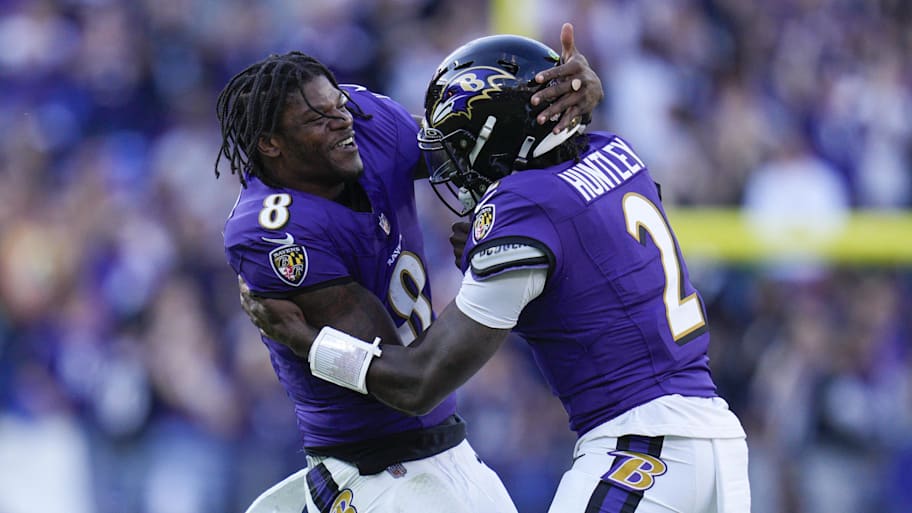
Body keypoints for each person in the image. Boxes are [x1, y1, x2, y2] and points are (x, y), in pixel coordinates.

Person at [240, 34, 752, 513]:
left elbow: (418, 382)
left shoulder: (522, 210)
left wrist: (308, 342)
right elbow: (586, 256)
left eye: (462, 148)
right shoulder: (615, 151)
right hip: (715, 437)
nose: (455, 166)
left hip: (643, 445)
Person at [216, 24, 603, 513]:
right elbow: (401, 382)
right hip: (370, 468)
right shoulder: (274, 230)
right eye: (317, 119)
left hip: (448, 446)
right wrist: (307, 342)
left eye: (338, 104)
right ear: (271, 145)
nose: (343, 121)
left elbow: (476, 144)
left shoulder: (365, 120)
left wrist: (566, 103)